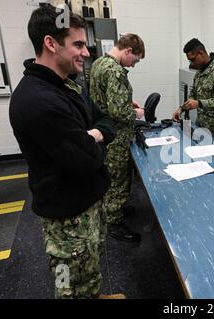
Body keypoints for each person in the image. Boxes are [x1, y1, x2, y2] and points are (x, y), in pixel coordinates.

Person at [9, 4, 123, 299]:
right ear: (51, 43)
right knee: (70, 285)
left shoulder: (67, 85)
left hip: (87, 204)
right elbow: (88, 159)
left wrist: (95, 134)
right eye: (78, 44)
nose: (86, 52)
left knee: (89, 272)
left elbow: (105, 120)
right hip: (68, 218)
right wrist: (95, 141)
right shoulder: (38, 100)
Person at [89, 33, 145, 243]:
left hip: (103, 129)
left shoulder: (99, 63)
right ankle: (114, 222)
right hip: (116, 135)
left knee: (110, 177)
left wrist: (126, 103)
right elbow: (118, 112)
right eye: (135, 59)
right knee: (118, 178)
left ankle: (115, 209)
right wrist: (135, 114)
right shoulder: (115, 71)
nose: (133, 65)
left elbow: (103, 99)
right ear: (128, 51)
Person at [172, 38, 214, 144]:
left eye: (193, 59)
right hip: (201, 125)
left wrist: (199, 103)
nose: (192, 63)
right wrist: (182, 108)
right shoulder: (199, 73)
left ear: (201, 53)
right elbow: (193, 94)